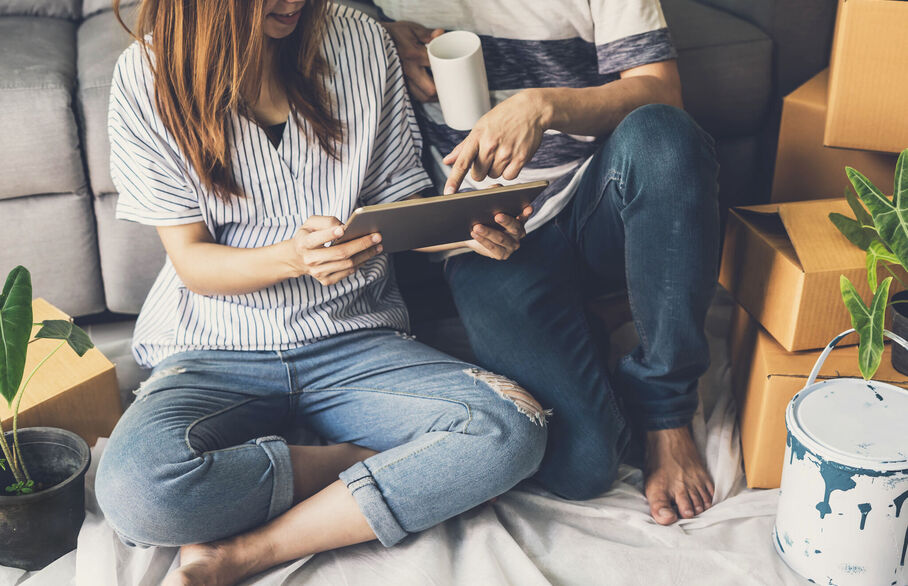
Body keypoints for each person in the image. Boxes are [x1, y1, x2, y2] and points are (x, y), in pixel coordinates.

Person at [94, 1, 547, 584]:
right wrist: (292, 258)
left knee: (512, 429)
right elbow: (194, 264)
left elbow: (397, 215)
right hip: (212, 348)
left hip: (357, 340)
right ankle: (360, 464)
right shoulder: (144, 77)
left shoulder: (360, 40)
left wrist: (467, 235)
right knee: (138, 496)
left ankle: (244, 553)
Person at [375, 0, 721, 524]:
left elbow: (660, 90)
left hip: (593, 200)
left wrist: (544, 105)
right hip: (484, 240)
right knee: (580, 470)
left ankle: (665, 408)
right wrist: (378, 31)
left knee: (665, 135)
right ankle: (596, 323)